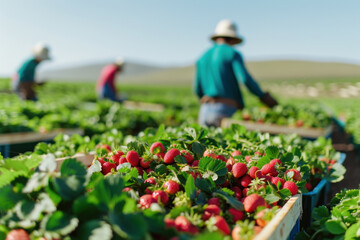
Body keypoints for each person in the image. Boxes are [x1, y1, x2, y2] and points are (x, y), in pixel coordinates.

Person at [194, 19, 278, 127]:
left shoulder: (203, 57)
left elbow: (197, 89)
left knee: (204, 143)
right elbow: (245, 79)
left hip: (204, 110)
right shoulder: (232, 53)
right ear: (233, 39)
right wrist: (263, 96)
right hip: (226, 109)